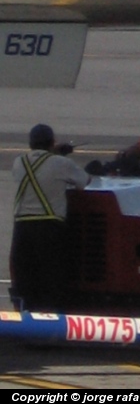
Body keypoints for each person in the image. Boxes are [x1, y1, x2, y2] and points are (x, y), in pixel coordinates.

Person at [10, 123, 88, 312]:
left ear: (30, 143)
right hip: (49, 227)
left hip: (22, 228)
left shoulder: (18, 163)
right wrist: (60, 155)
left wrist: (55, 153)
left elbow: (42, 168)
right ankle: (53, 323)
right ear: (52, 142)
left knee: (25, 278)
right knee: (52, 278)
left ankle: (24, 321)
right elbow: (84, 181)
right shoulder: (62, 164)